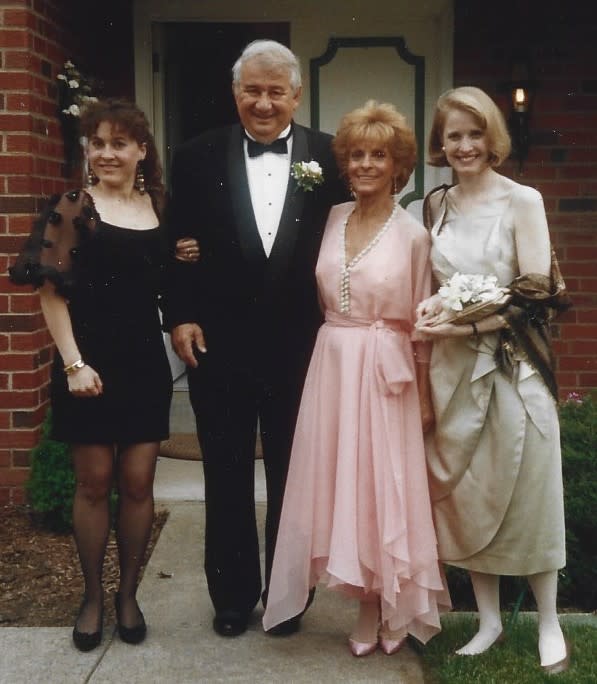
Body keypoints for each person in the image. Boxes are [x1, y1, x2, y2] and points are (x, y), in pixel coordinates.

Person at [163, 39, 347, 638]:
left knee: (296, 475)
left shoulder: (332, 156)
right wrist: (180, 316)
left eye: (275, 92)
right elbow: (177, 244)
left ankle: (288, 597)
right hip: (219, 343)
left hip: (302, 347)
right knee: (226, 469)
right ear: (234, 93)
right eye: (252, 90)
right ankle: (233, 597)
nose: (263, 103)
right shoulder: (193, 157)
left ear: (297, 95)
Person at [262, 100, 451, 656]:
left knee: (380, 487)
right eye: (358, 155)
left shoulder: (414, 235)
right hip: (333, 363)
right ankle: (357, 596)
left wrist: (422, 393)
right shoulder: (333, 217)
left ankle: (382, 606)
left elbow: (421, 324)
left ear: (399, 166)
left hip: (386, 371)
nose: (367, 164)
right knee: (341, 485)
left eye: (380, 155)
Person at [416, 86, 571, 674]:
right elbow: (434, 283)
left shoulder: (522, 200)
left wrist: (463, 326)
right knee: (468, 493)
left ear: (493, 138)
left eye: (474, 134)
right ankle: (487, 621)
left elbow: (536, 292)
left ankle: (549, 622)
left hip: (513, 364)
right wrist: (436, 311)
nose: (464, 146)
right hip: (453, 373)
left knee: (530, 487)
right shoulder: (435, 205)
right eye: (453, 135)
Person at [10, 99, 173, 652]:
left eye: (118, 143)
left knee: (137, 484)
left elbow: (169, 266)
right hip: (88, 362)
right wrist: (73, 364)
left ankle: (128, 595)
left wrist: (189, 252)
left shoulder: (157, 205)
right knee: (94, 483)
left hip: (144, 363)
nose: (106, 152)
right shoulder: (75, 206)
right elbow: (51, 294)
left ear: (140, 151)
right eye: (97, 143)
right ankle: (92, 599)